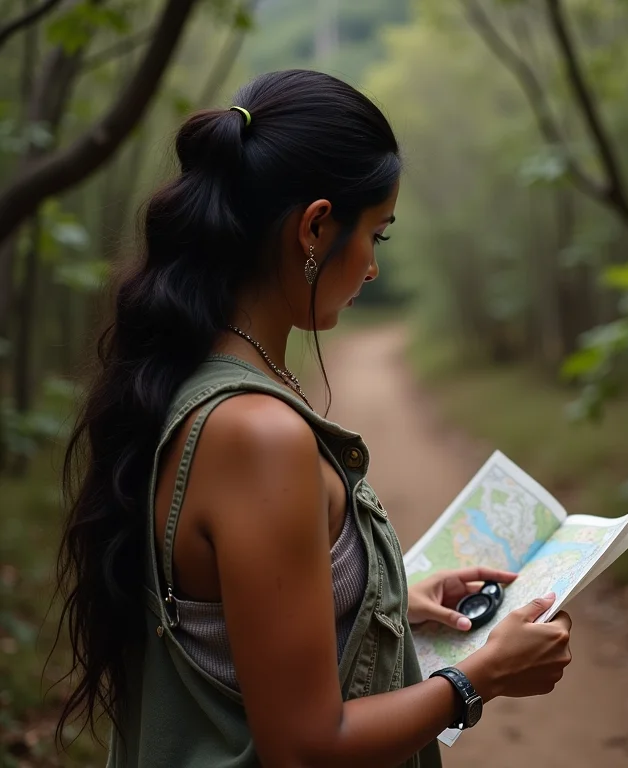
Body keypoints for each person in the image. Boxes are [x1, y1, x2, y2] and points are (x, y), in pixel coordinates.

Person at [56, 69, 572, 768]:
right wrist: (479, 678)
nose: (372, 270)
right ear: (315, 226)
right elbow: (304, 747)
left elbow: (229, 625)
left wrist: (388, 603)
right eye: (377, 236)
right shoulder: (256, 433)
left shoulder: (185, 374)